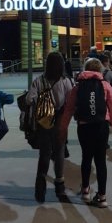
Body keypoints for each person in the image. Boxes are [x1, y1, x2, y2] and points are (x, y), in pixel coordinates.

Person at [60, 58, 112, 208]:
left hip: (84, 127)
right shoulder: (105, 85)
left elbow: (69, 109)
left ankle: (85, 190)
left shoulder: (78, 87)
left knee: (86, 157)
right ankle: (102, 196)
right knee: (100, 161)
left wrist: (63, 128)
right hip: (101, 126)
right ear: (100, 70)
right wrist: (111, 121)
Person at [26, 51, 74, 202]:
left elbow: (28, 99)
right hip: (60, 121)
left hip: (44, 122)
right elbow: (70, 102)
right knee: (59, 153)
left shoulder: (39, 81)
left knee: (44, 154)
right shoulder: (65, 81)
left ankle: (40, 188)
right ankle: (60, 187)